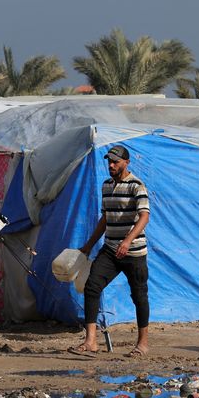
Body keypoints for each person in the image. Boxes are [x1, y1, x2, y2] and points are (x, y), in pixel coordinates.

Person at [70, 144, 151, 358]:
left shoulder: (137, 186)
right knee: (92, 285)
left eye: (116, 162)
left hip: (133, 252)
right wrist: (87, 246)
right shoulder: (107, 186)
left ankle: (142, 343)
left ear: (127, 162)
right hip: (110, 250)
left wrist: (127, 241)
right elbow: (105, 219)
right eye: (109, 162)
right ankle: (90, 341)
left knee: (139, 296)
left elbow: (144, 217)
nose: (111, 165)